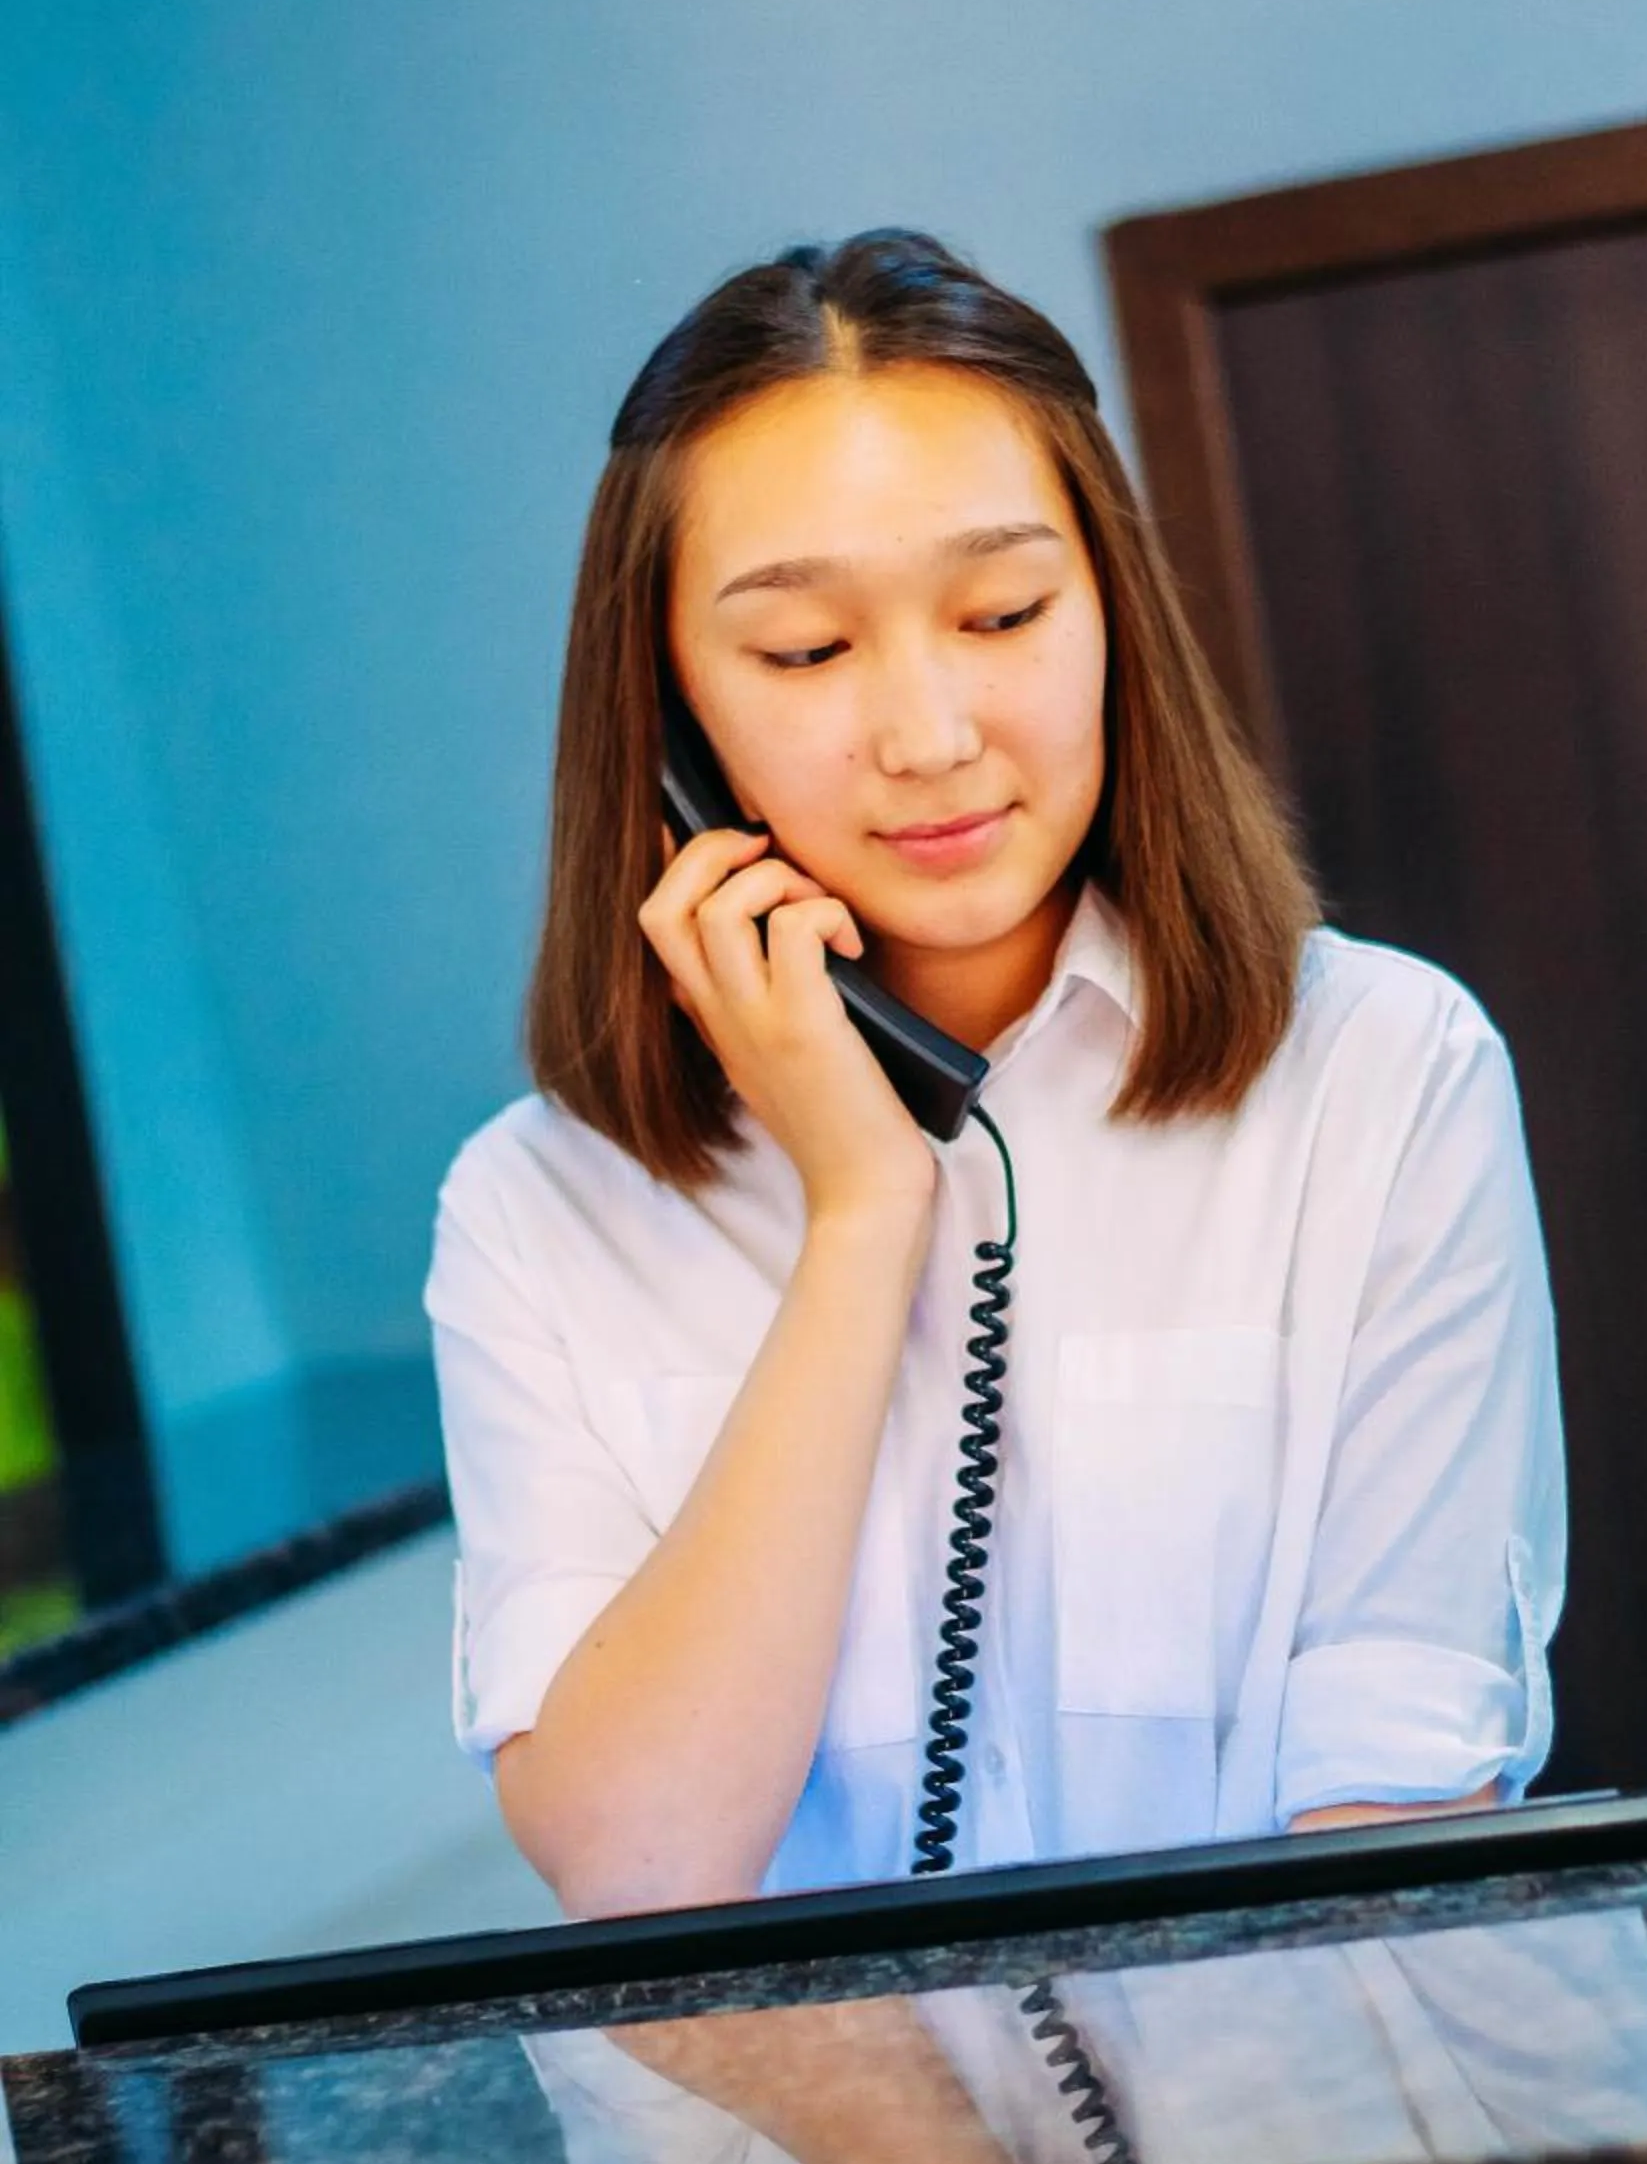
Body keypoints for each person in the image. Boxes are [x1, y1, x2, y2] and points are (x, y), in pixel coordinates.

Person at [422, 228, 1567, 1927]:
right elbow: (641, 1864)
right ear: (671, 724)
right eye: (806, 653)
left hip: (1316, 2142)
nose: (931, 731)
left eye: (1005, 612)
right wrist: (863, 1209)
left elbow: (1395, 1785)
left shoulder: (1385, 1074)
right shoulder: (536, 1210)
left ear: (1110, 609)